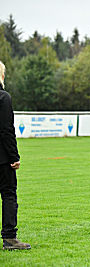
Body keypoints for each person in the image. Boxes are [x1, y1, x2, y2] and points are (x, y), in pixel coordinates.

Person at [0, 61, 31, 249]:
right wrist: (14, 157)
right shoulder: (3, 98)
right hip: (2, 159)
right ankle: (10, 238)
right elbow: (6, 130)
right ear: (2, 76)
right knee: (9, 195)